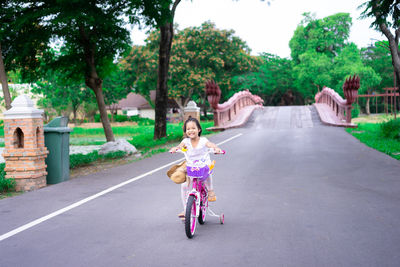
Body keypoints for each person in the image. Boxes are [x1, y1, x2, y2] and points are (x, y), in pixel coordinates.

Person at [169, 117, 223, 219]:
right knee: (184, 186)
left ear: (199, 129)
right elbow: (180, 146)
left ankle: (210, 190)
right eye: (188, 129)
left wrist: (215, 148)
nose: (191, 130)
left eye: (193, 128)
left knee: (207, 172)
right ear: (185, 131)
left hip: (203, 165)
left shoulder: (203, 140)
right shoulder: (186, 141)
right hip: (191, 166)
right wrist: (175, 148)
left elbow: (210, 144)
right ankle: (186, 209)